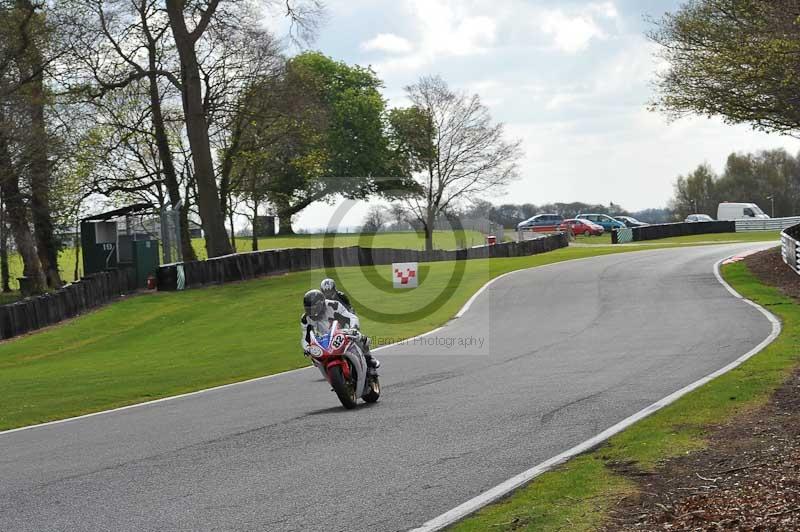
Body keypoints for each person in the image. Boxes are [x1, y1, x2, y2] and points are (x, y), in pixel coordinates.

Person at [300, 289, 380, 373]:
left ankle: (369, 358)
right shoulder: (305, 318)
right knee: (315, 358)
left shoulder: (334, 305)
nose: (312, 312)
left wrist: (353, 328)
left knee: (360, 338)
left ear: (322, 303)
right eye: (309, 309)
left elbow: (351, 317)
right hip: (326, 339)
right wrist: (307, 348)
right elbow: (305, 336)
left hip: (343, 332)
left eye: (315, 308)